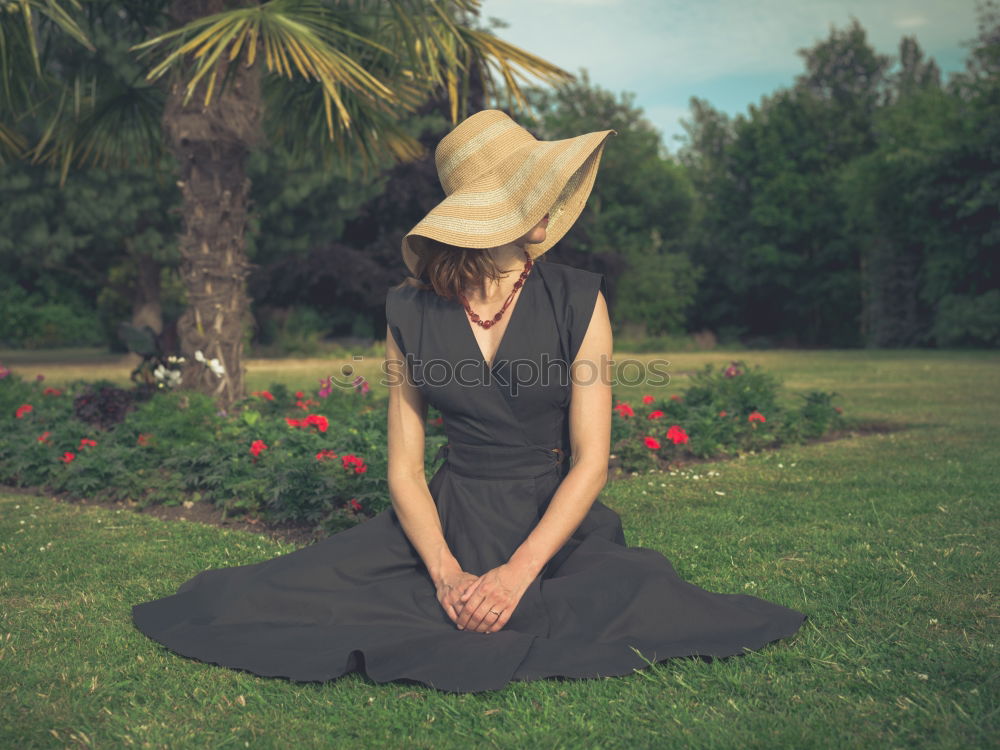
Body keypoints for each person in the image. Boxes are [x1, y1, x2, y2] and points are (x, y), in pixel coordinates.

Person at [131, 109, 807, 694]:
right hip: (449, 515)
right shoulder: (408, 311)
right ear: (488, 211)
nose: (548, 201)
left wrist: (514, 575)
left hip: (551, 523)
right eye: (528, 190)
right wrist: (449, 575)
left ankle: (532, 582)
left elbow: (593, 461)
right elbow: (403, 466)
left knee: (635, 600)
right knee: (298, 597)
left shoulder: (579, 299)